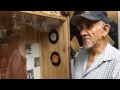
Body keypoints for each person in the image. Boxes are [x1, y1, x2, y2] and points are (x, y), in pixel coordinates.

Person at [71, 11, 120, 79]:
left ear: (105, 30)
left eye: (89, 26)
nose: (82, 33)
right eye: (81, 27)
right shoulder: (80, 55)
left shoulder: (117, 61)